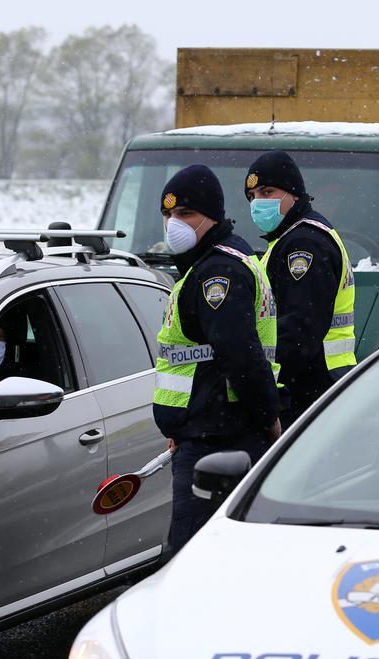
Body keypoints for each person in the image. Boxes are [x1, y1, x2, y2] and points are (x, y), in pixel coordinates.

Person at [153, 164, 281, 554]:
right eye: (169, 216)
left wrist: (268, 418)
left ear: (211, 216)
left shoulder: (217, 273)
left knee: (192, 557)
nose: (174, 224)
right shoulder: (218, 260)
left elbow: (240, 355)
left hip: (221, 438)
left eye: (185, 214)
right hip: (209, 429)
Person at [245, 150, 356, 426]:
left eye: (268, 191)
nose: (259, 202)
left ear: (293, 193)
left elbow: (298, 331)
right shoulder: (289, 239)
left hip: (310, 388)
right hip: (320, 383)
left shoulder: (304, 244)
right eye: (253, 196)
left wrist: (253, 371)